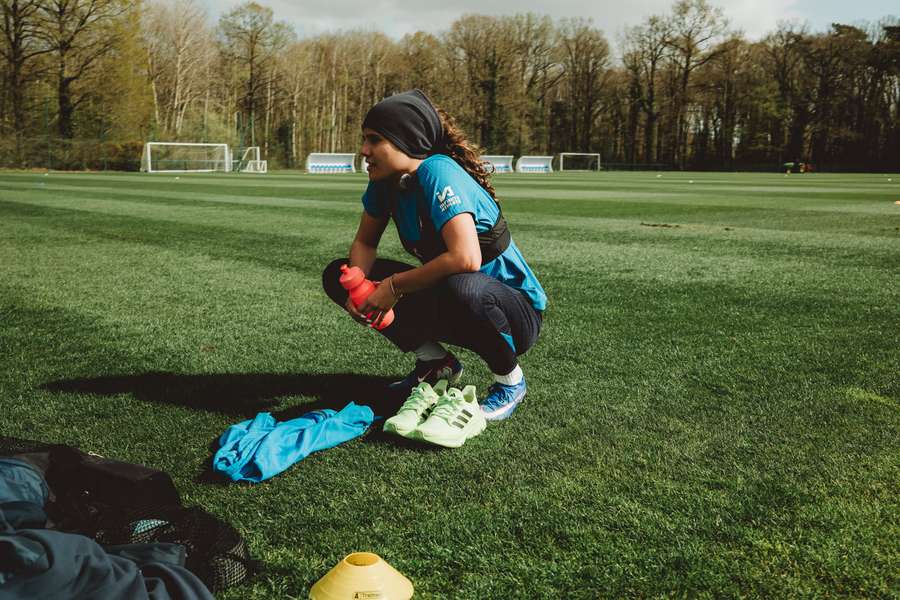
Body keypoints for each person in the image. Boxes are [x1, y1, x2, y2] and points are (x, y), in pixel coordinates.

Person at [321, 89, 546, 421]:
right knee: (337, 275)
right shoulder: (385, 183)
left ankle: (510, 381)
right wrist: (358, 287)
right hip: (458, 301)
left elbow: (465, 258)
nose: (364, 150)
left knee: (464, 284)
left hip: (513, 316)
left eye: (374, 140)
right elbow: (366, 244)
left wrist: (393, 287)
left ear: (404, 140)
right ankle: (437, 364)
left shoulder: (438, 171)